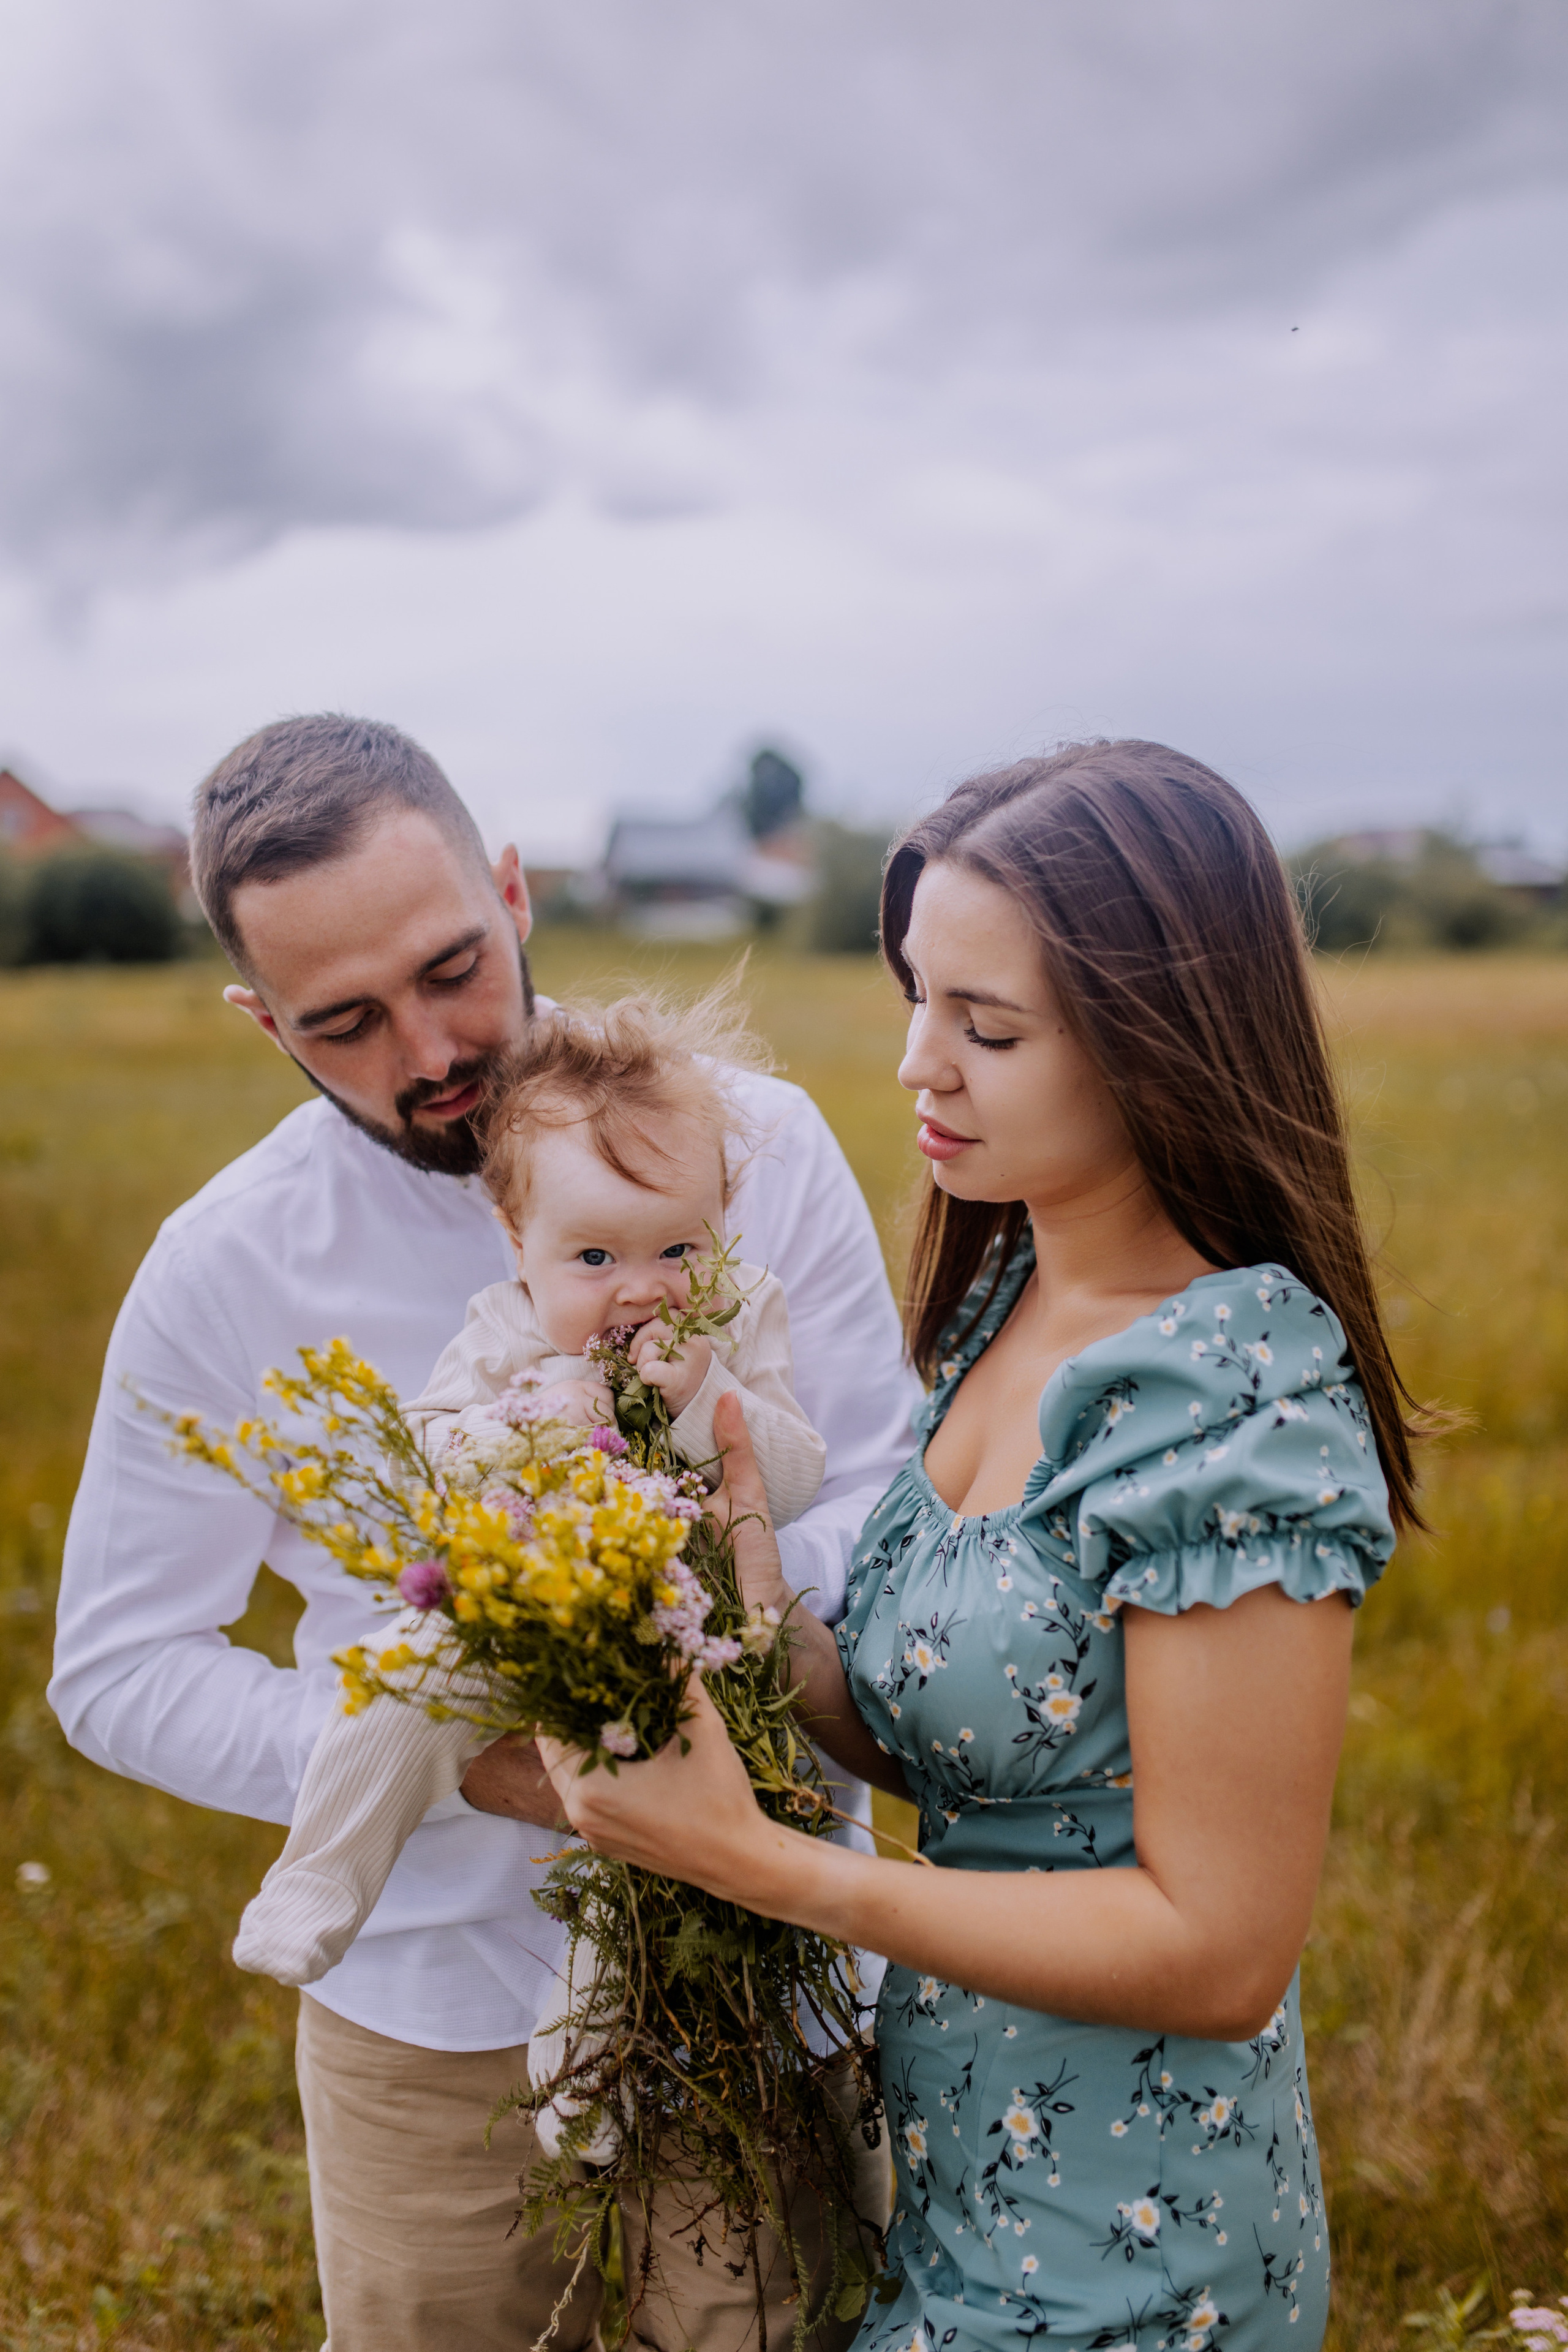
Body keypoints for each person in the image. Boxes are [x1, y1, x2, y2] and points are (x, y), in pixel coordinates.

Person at [48, 714, 920, 2352]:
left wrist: (692, 1656)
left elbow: (878, 1496)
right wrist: (480, 1750)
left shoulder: (761, 1143)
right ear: (263, 1021)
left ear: (513, 891)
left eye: (454, 965)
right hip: (426, 2036)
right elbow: (115, 1671)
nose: (433, 1046)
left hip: (775, 1980)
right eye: (347, 1021)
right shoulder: (226, 1265)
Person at [535, 741, 1417, 2352]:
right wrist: (726, 1603)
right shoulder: (1008, 1302)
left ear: (1162, 1040)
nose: (917, 1068)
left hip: (1134, 2240)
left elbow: (1218, 1949)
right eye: (916, 998)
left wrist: (769, 1867)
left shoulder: (1237, 1400)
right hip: (950, 2186)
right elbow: (979, 1746)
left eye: (987, 1026)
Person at [233, 986, 829, 1992]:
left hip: (685, 1626)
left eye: (678, 1249)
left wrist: (709, 1395)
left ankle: (591, 2064)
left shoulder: (739, 1314)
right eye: (594, 1257)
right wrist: (514, 1426)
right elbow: (418, 1462)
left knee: (641, 1863)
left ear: (723, 1218)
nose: (642, 1287)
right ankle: (318, 1881)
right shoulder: (506, 1327)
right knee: (401, 1679)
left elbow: (798, 1476)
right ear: (520, 1243)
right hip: (525, 1607)